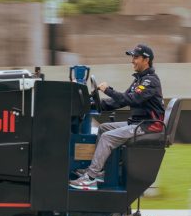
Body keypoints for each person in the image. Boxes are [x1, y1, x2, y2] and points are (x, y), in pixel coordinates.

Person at [69, 44, 165, 190]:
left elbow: (131, 100)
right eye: (132, 57)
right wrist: (95, 105)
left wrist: (107, 90)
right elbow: (121, 100)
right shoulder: (139, 80)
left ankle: (90, 178)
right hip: (138, 123)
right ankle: (99, 170)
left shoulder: (150, 81)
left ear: (146, 60)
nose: (132, 60)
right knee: (103, 128)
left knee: (108, 137)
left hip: (148, 126)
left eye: (136, 57)